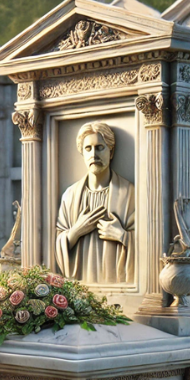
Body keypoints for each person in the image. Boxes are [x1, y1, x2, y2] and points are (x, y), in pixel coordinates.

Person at [55, 121, 135, 284]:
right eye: (88, 148)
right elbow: (55, 245)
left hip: (115, 288)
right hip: (79, 290)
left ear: (111, 152)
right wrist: (75, 232)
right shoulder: (70, 196)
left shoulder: (130, 193)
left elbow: (150, 246)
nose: (93, 154)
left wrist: (122, 236)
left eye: (100, 147)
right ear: (82, 154)